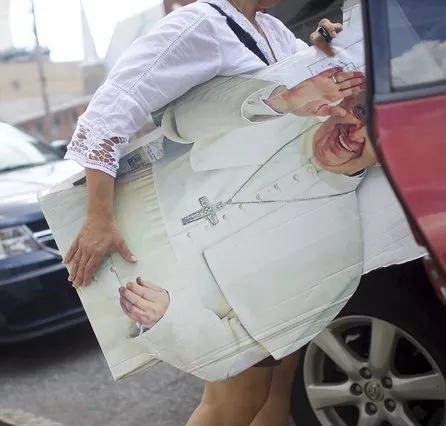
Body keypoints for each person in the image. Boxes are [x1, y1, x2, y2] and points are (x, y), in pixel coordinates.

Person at [61, 1, 350, 425]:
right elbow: (107, 112)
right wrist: (99, 216)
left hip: (273, 229)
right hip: (225, 233)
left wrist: (322, 48)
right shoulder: (200, 25)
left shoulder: (267, 26)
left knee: (277, 383)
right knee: (237, 397)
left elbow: (296, 86)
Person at [113, 83, 376, 381]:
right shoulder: (274, 107)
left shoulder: (340, 257)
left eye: (379, 137)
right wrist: (278, 102)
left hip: (118, 314)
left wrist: (169, 318)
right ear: (350, 98)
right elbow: (173, 119)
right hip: (91, 217)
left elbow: (233, 355)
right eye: (362, 111)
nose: (356, 134)